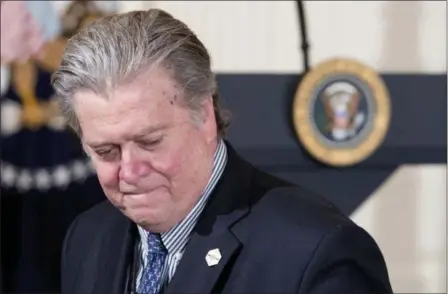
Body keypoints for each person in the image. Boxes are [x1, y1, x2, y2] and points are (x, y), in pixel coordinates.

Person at [52, 8, 393, 294]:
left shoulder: (319, 252)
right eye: (107, 151)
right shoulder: (87, 237)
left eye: (150, 142)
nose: (130, 171)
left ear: (205, 115)